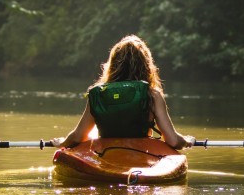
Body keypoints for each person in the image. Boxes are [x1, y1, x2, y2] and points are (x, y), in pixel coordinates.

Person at [51, 35, 193, 150]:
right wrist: (186, 140)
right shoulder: (153, 95)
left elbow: (78, 136)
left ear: (112, 65)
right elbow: (173, 141)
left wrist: (62, 143)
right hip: (142, 154)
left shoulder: (99, 94)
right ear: (146, 66)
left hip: (106, 155)